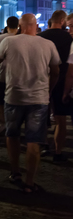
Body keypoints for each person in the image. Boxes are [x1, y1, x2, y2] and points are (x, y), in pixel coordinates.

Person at [0, 14, 60, 193]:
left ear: (20, 26)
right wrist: (49, 90)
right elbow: (56, 71)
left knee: (12, 136)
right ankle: (30, 182)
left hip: (14, 97)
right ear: (36, 26)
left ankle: (15, 172)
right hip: (38, 99)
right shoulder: (48, 44)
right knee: (34, 141)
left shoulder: (9, 42)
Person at [38, 10, 72, 163]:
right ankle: (58, 152)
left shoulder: (40, 37)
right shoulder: (68, 38)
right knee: (60, 119)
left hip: (42, 80)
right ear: (63, 21)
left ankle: (43, 145)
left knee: (42, 117)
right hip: (62, 79)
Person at [0, 16, 19, 136]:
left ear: (7, 26)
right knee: (15, 103)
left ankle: (4, 123)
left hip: (1, 75)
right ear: (18, 26)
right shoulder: (20, 38)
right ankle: (14, 124)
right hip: (16, 76)